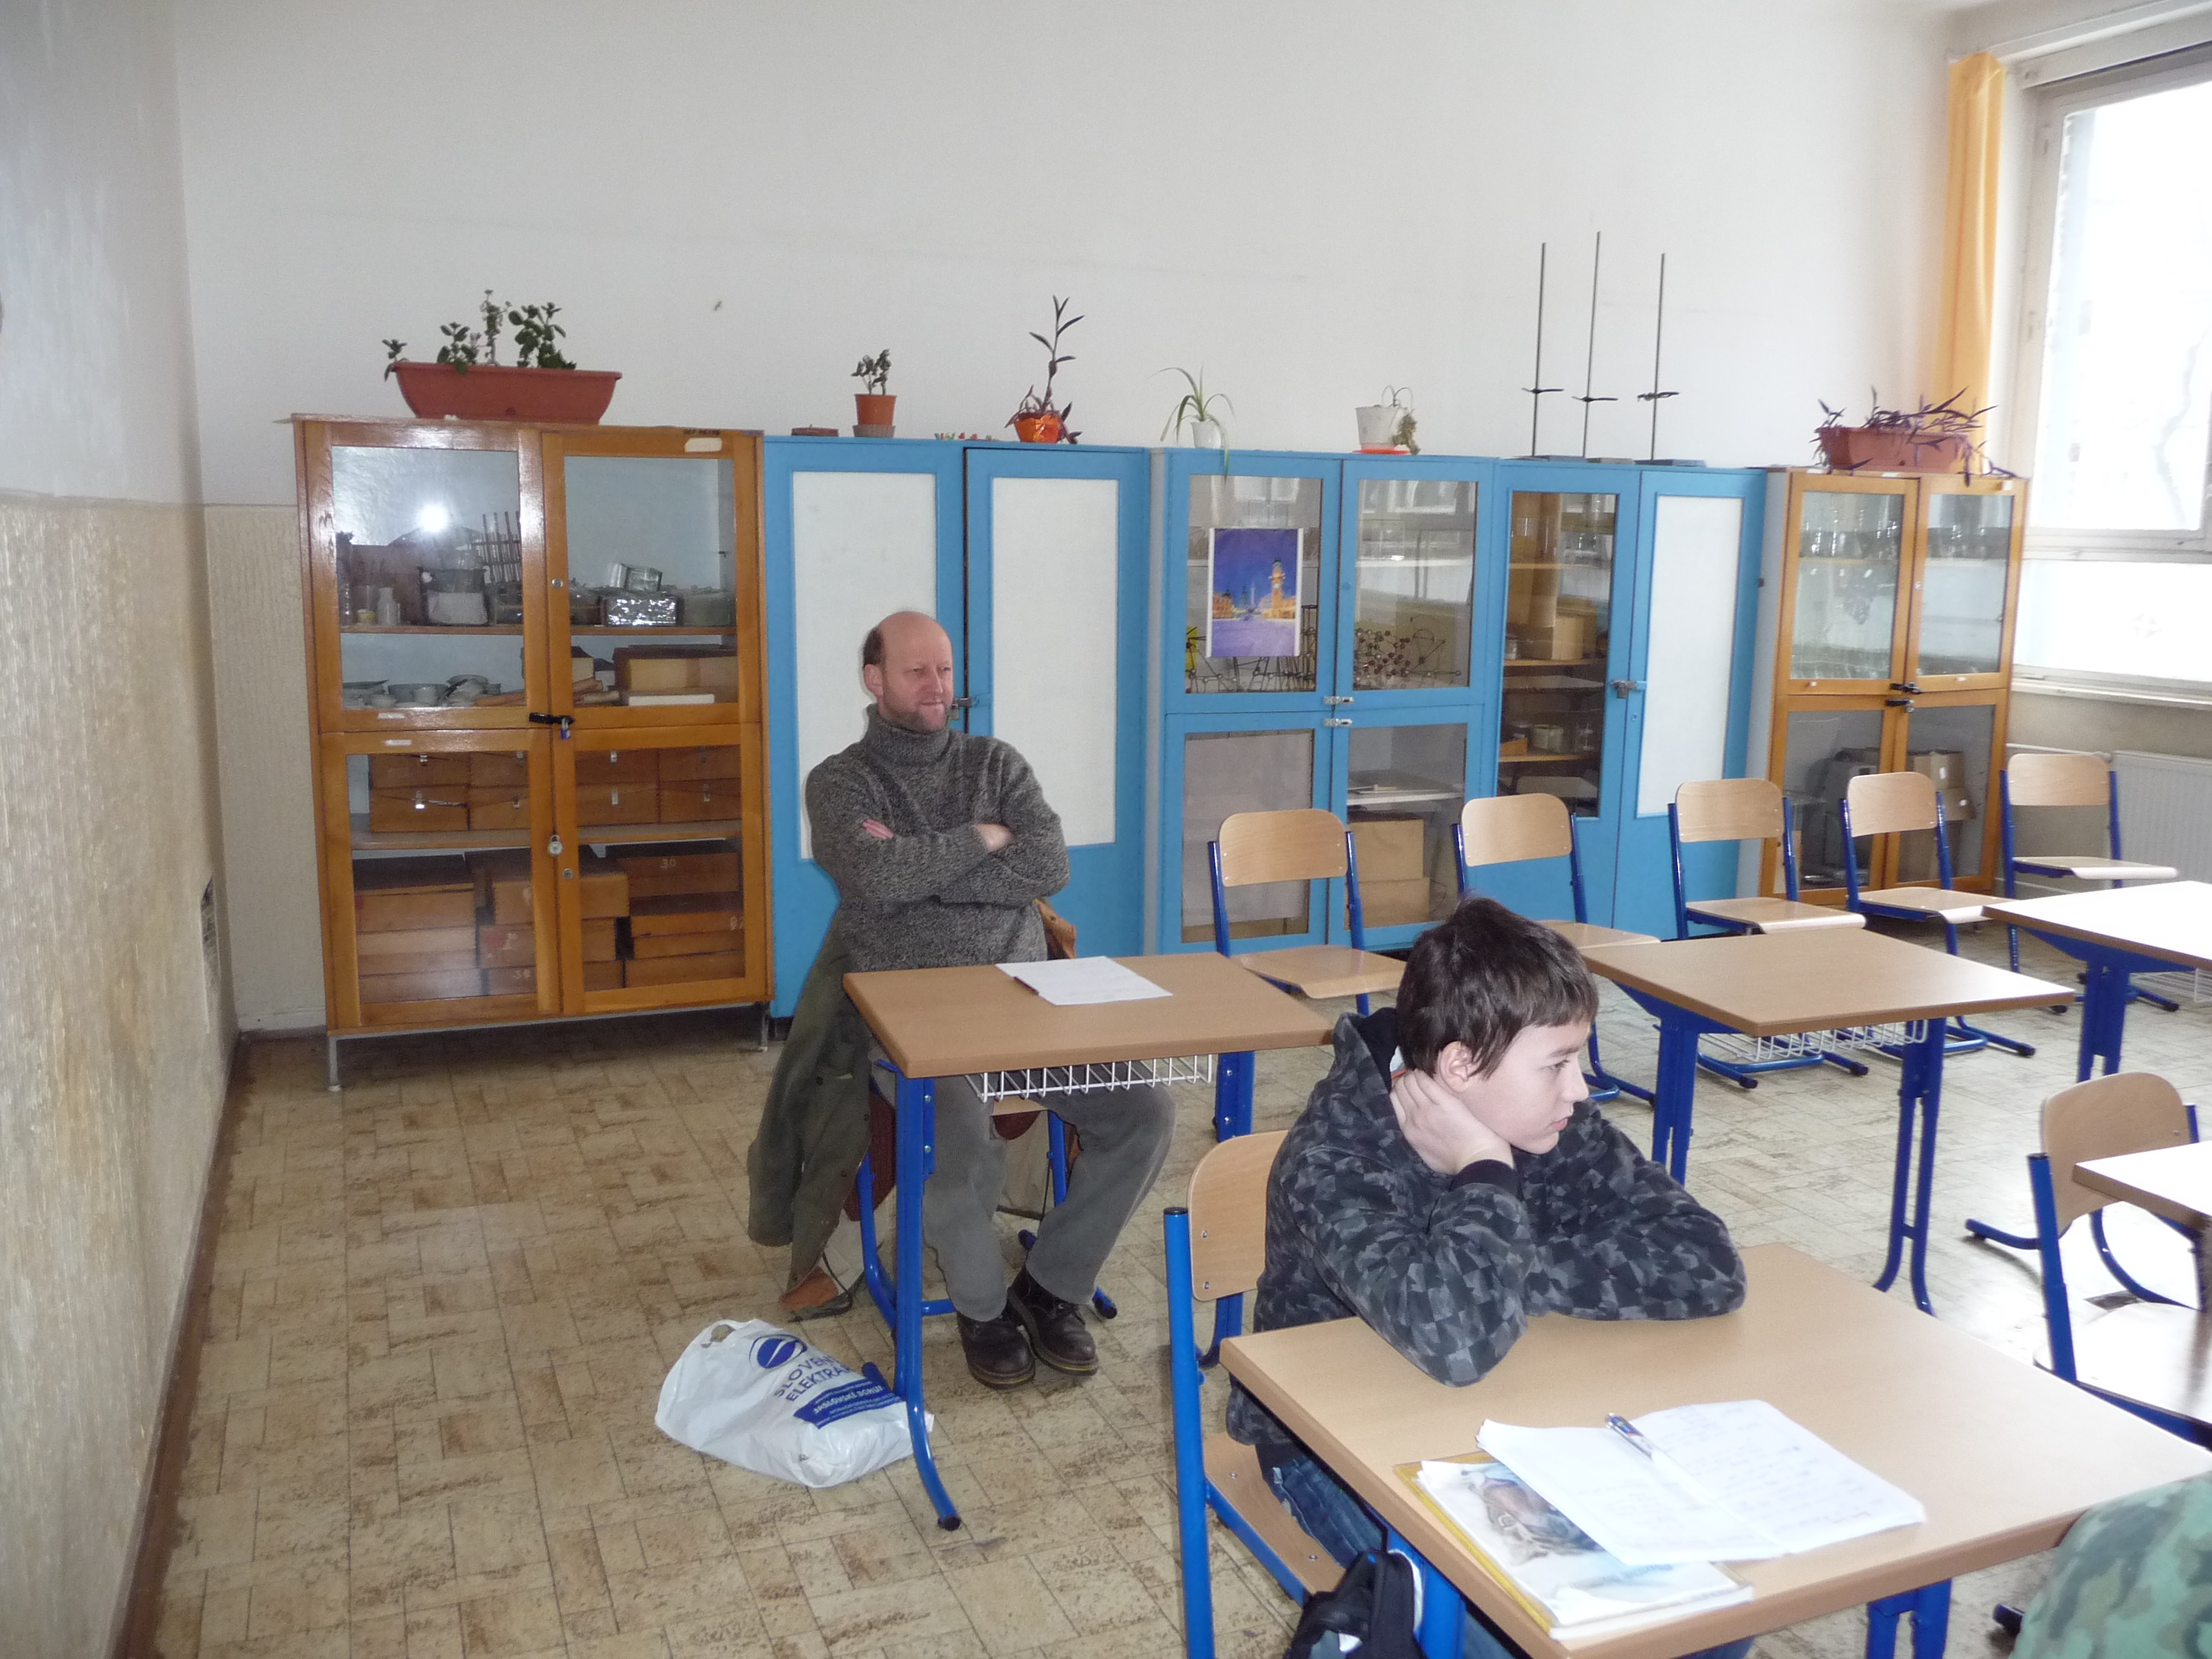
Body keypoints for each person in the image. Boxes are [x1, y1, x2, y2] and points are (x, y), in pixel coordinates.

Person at [1229, 895, 1750, 1659]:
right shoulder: (1335, 1159)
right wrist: (1484, 1170)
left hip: (1522, 1417)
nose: (1580, 1089)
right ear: (1461, 1065)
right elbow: (1459, 1344)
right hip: (1327, 1454)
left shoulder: (1551, 1121)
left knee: (1709, 1620)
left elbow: (1708, 1261)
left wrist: (1504, 1278)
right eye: (1558, 1064)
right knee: (1525, 1640)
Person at [804, 611, 1175, 1389]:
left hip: (1024, 1003)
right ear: (874, 680)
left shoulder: (995, 762)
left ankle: (1051, 1287)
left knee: (1145, 1110)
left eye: (944, 670)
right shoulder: (841, 782)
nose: (937, 686)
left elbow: (1049, 864)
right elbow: (873, 877)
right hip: (912, 1021)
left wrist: (921, 872)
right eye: (917, 671)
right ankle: (981, 1310)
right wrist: (983, 838)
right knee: (962, 1141)